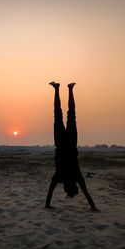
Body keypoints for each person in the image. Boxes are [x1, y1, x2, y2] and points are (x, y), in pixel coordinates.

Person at [45, 82, 99, 211]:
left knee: (70, 114)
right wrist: (47, 205)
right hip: (61, 142)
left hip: (70, 142)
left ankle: (68, 89)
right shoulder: (61, 177)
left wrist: (93, 207)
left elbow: (86, 193)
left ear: (74, 185)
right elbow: (50, 192)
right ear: (65, 187)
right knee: (59, 114)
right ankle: (59, 89)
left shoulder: (76, 177)